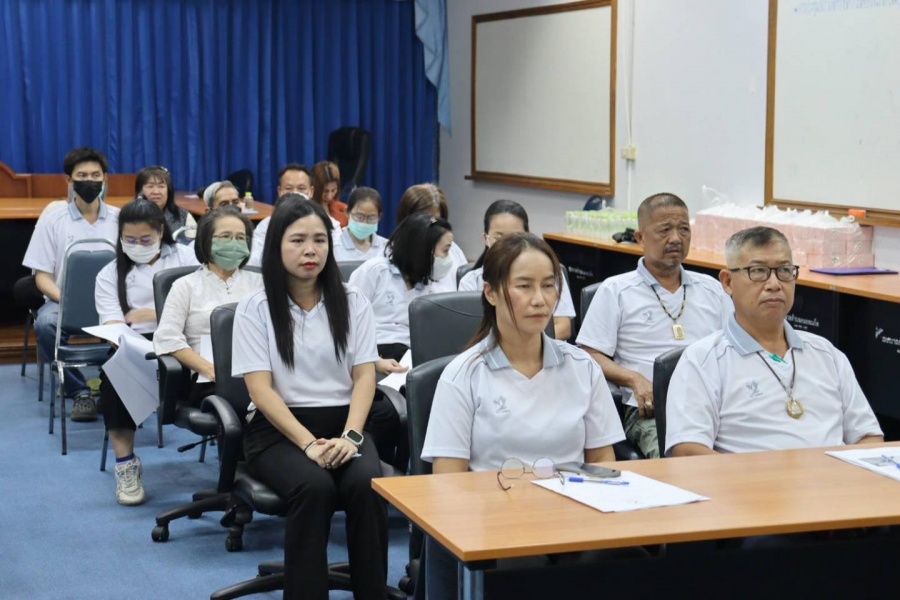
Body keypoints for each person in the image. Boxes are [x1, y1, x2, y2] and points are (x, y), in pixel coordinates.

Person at [421, 232, 626, 600]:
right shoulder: (464, 375)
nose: (539, 299)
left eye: (548, 286)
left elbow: (602, 463)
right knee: (522, 568)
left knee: (632, 558)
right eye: (524, 286)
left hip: (573, 518)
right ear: (491, 292)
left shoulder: (582, 366)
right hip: (497, 523)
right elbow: (448, 484)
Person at [232, 199, 388, 600]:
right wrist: (308, 444)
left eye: (320, 240)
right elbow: (260, 390)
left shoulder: (353, 301)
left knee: (367, 485)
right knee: (314, 487)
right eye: (298, 240)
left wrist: (351, 437)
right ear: (276, 246)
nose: (310, 250)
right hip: (278, 431)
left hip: (345, 425)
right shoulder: (255, 307)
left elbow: (365, 375)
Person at [666, 226, 883, 456]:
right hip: (749, 479)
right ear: (728, 282)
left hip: (832, 477)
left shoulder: (826, 354)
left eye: (784, 271)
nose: (774, 284)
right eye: (758, 271)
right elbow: (688, 450)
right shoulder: (703, 360)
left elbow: (868, 436)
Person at [576, 193, 732, 458]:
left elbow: (732, 346)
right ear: (640, 238)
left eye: (684, 229)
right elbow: (589, 354)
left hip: (712, 405)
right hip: (651, 410)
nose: (676, 238)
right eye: (664, 230)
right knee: (682, 463)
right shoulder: (617, 290)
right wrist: (633, 379)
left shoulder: (712, 289)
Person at [94, 198, 198, 505]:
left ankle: (238, 460)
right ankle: (126, 465)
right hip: (137, 348)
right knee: (114, 376)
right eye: (129, 240)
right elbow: (113, 326)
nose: (137, 246)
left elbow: (202, 310)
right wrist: (134, 331)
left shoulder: (186, 258)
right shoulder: (110, 273)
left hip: (185, 344)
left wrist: (154, 314)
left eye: (145, 240)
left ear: (161, 232)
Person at [23, 146, 120, 421]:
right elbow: (42, 277)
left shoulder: (120, 218)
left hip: (111, 303)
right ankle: (79, 392)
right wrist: (69, 301)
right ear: (69, 180)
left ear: (105, 179)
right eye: (82, 176)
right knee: (45, 324)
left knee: (137, 323)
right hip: (62, 302)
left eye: (95, 175)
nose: (90, 181)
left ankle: (110, 387)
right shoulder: (53, 220)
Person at [154, 207, 261, 383]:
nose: (234, 244)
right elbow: (167, 338)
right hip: (210, 379)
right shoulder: (185, 286)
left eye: (240, 238)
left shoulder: (261, 283)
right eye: (225, 236)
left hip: (259, 374)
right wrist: (210, 370)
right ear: (206, 240)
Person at [348, 212, 454, 371]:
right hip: (373, 352)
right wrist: (374, 361)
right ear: (422, 250)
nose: (448, 258)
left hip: (411, 355)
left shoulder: (429, 286)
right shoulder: (375, 272)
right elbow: (346, 324)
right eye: (445, 251)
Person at [459, 199, 576, 340]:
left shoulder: (549, 273)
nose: (508, 246)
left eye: (515, 238)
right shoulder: (471, 282)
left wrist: (531, 344)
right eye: (499, 237)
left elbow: (563, 327)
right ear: (486, 238)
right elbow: (470, 332)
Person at [248, 164, 340, 268]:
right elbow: (253, 262)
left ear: (311, 191)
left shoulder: (331, 224)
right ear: (280, 192)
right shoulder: (266, 225)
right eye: (288, 188)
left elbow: (337, 261)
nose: (295, 193)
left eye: (301, 188)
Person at [395, 183, 468, 292]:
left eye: (435, 222)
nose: (430, 229)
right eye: (424, 221)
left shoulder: (454, 251)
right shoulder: (383, 264)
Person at [135, 165, 197, 238]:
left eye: (161, 186)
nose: (156, 192)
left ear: (169, 191)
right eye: (150, 186)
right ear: (139, 192)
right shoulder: (130, 216)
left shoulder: (183, 216)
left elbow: (193, 243)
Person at [333, 186, 388, 262]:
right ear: (347, 212)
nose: (365, 223)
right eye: (359, 217)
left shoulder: (386, 248)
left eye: (371, 218)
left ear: (379, 217)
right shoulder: (334, 247)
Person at [311, 160, 348, 228]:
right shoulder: (306, 210)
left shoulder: (344, 210)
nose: (329, 197)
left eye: (333, 190)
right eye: (325, 191)